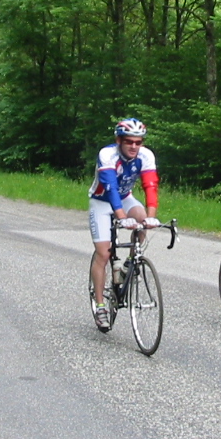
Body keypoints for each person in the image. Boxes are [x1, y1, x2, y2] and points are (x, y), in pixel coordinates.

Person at [88, 119, 161, 330]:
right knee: (103, 253)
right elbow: (110, 188)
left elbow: (150, 186)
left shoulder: (146, 156)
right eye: (129, 141)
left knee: (140, 216)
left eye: (138, 142)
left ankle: (131, 262)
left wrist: (151, 216)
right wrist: (121, 217)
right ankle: (100, 305)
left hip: (126, 197)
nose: (134, 147)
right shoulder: (107, 155)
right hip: (101, 202)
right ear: (118, 140)